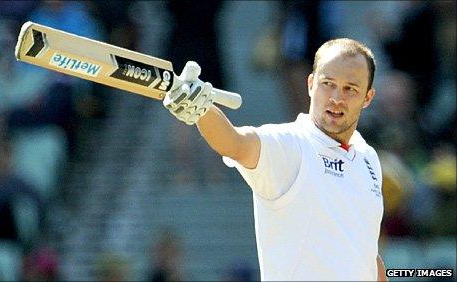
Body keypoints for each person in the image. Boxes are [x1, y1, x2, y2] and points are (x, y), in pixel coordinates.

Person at [163, 38, 388, 281]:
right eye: (328, 84)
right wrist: (202, 109)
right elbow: (235, 143)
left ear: (368, 97)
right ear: (311, 84)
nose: (336, 97)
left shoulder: (367, 157)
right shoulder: (290, 144)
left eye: (350, 89)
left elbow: (365, 252)